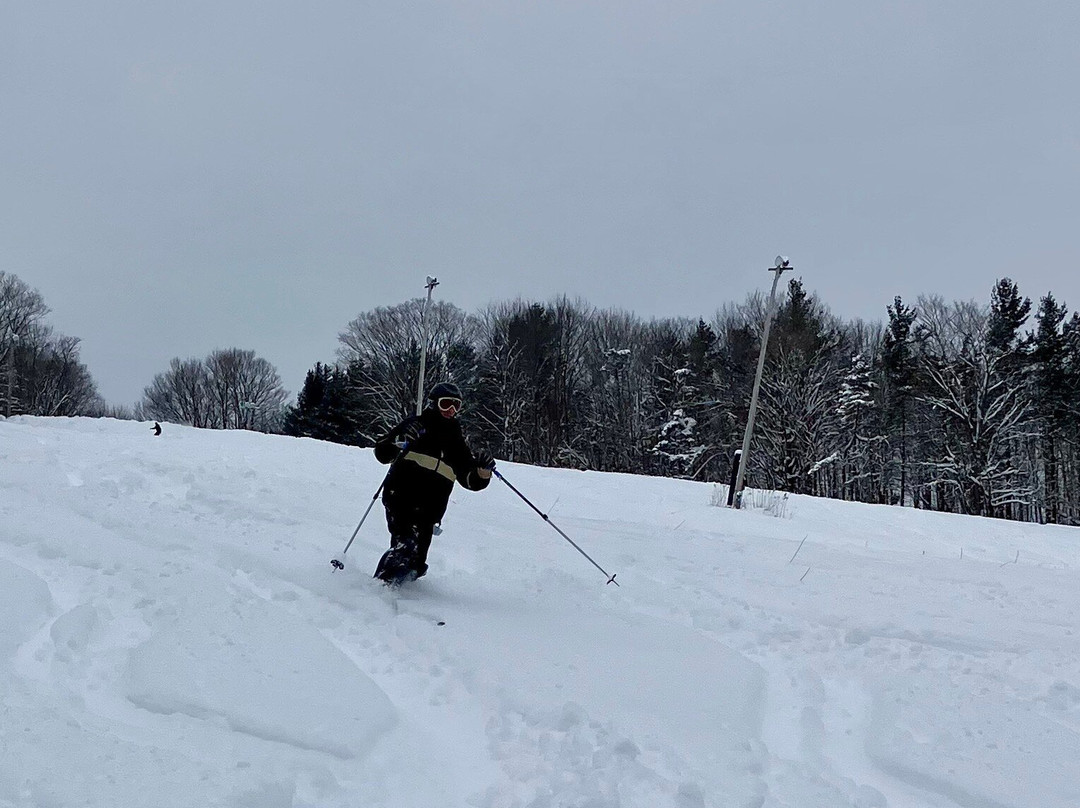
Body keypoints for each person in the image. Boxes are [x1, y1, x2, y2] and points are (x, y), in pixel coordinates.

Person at [372, 382, 494, 585]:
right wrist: (399, 440)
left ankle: (401, 589)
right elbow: (382, 452)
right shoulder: (416, 425)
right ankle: (380, 587)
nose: (451, 410)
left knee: (417, 563)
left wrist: (482, 473)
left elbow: (469, 479)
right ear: (434, 403)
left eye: (456, 406)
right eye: (446, 404)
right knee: (406, 544)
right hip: (401, 496)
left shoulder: (457, 443)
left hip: (430, 510)